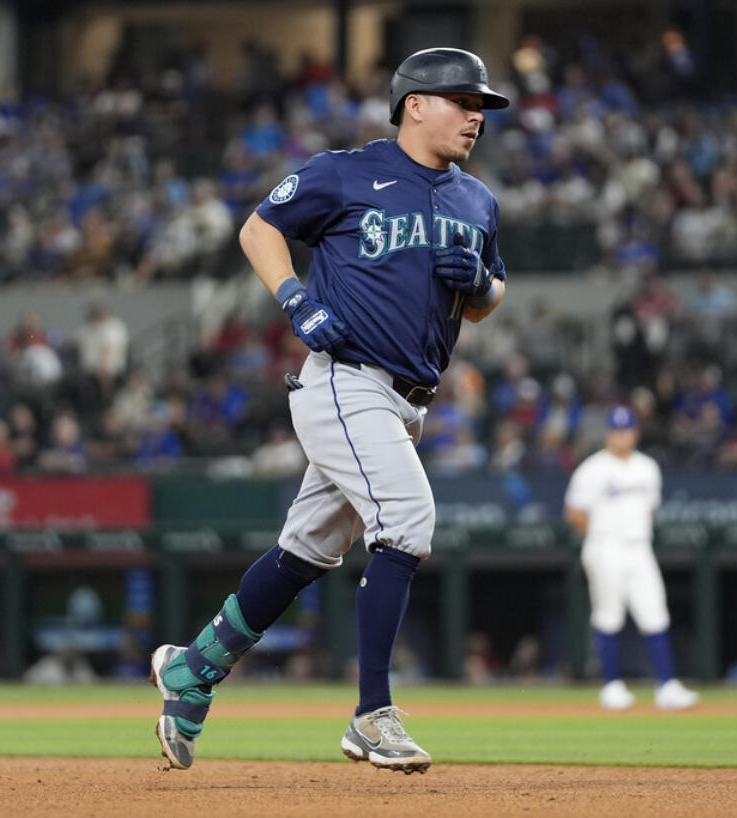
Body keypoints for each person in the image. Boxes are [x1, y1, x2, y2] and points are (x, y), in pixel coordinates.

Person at [149, 47, 510, 775]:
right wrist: (294, 298)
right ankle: (372, 713)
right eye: (462, 101)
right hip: (346, 382)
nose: (476, 115)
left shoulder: (478, 201)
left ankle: (194, 668)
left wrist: (481, 285)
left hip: (408, 401)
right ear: (414, 104)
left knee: (305, 554)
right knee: (407, 521)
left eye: (481, 106)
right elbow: (259, 229)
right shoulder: (345, 172)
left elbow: (489, 296)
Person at [564, 405, 699, 711]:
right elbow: (573, 512)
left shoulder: (648, 467)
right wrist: (600, 534)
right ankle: (611, 686)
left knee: (655, 612)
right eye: (617, 430)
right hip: (605, 546)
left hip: (640, 546)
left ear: (635, 433)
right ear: (609, 434)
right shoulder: (593, 468)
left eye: (627, 430)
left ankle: (667, 685)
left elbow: (650, 508)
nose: (622, 436)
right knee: (608, 615)